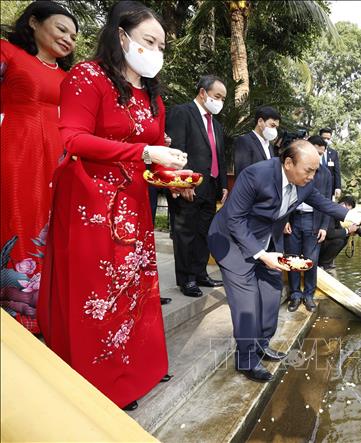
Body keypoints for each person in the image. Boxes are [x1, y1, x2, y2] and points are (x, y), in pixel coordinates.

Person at [37, 2, 187, 411]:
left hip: (134, 201)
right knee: (98, 290)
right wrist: (145, 151)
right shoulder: (88, 76)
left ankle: (137, 369)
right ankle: (101, 381)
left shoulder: (151, 95)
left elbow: (147, 148)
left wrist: (167, 169)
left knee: (134, 287)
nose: (156, 50)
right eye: (148, 41)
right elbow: (73, 138)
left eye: (161, 45)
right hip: (91, 201)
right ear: (122, 37)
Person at [208, 140, 361, 383]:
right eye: (309, 170)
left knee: (272, 295)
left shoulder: (305, 183)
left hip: (264, 243)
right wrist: (262, 255)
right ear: (288, 163)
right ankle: (246, 361)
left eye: (316, 170)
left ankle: (261, 345)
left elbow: (325, 204)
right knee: (247, 306)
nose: (313, 176)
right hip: (230, 242)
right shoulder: (256, 175)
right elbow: (234, 220)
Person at [0, 1, 78, 333]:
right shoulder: (8, 53)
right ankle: (16, 317)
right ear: (33, 22)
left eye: (74, 36)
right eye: (62, 29)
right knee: (18, 221)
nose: (68, 40)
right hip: (17, 153)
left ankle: (44, 312)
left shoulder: (68, 76)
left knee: (52, 231)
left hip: (57, 161)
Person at [166, 74, 228, 297]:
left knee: (204, 233)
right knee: (185, 234)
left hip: (210, 188)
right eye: (217, 96)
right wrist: (183, 182)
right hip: (188, 187)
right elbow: (177, 152)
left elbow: (219, 157)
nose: (220, 101)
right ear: (203, 93)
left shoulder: (217, 126)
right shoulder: (182, 113)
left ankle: (200, 273)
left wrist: (222, 184)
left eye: (223, 98)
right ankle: (187, 279)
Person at [284, 136, 332, 313]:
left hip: (314, 221)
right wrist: (285, 220)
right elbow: (286, 194)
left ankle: (309, 295)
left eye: (321, 153)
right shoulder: (296, 169)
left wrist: (324, 227)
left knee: (311, 260)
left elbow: (327, 201)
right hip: (293, 218)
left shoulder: (326, 173)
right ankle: (295, 294)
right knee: (293, 258)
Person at [233, 106, 280, 177]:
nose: (274, 130)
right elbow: (242, 174)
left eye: (276, 127)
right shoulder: (245, 141)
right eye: (272, 125)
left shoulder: (269, 146)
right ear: (260, 121)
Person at [318, 196, 360, 270]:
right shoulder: (330, 212)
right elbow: (330, 234)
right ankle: (323, 263)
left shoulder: (335, 213)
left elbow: (339, 230)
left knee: (344, 238)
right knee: (339, 241)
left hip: (321, 241)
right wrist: (348, 230)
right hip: (317, 240)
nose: (346, 213)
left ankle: (326, 262)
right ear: (342, 204)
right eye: (347, 210)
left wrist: (349, 232)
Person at [319, 127, 342, 200]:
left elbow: (337, 172)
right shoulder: (313, 151)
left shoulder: (333, 153)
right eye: (324, 138)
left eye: (328, 139)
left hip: (329, 186)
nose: (326, 140)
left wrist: (338, 187)